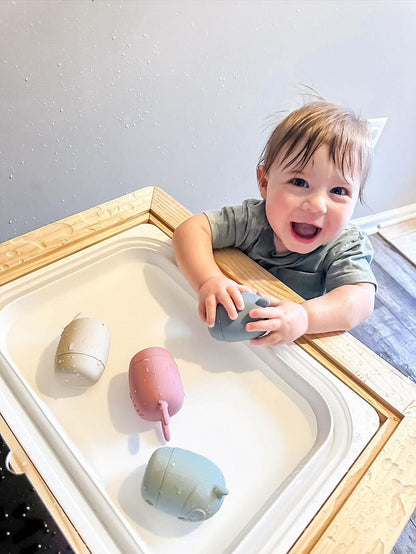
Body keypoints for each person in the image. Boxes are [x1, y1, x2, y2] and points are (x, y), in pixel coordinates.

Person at [172, 100, 377, 346]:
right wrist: (209, 279)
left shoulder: (345, 246)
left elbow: (360, 301)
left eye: (338, 190)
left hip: (291, 345)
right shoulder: (254, 221)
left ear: (357, 198)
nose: (318, 205)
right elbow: (191, 230)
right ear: (265, 183)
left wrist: (305, 317)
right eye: (300, 183)